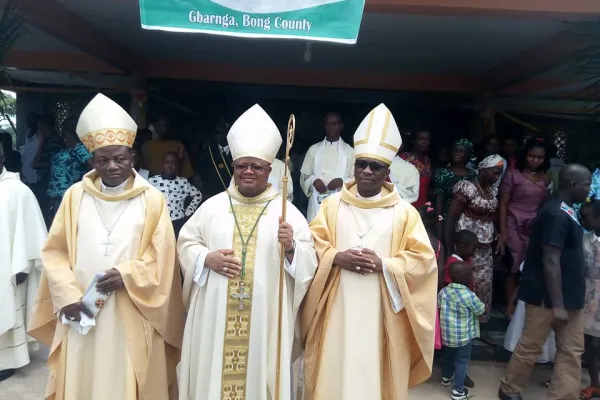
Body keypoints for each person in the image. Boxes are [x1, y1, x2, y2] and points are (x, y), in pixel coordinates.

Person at [27, 94, 185, 400]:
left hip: (132, 307)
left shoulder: (152, 199)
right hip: (82, 308)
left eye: (120, 158)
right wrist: (68, 295)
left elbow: (163, 257)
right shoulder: (75, 197)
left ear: (133, 157)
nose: (112, 166)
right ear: (92, 160)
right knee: (82, 378)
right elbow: (55, 251)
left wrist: (128, 274)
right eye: (103, 159)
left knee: (126, 376)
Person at [177, 104, 318, 400]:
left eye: (257, 166)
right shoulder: (212, 207)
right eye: (242, 166)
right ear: (234, 168)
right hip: (214, 316)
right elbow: (187, 243)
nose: (249, 172)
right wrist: (206, 258)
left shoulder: (288, 213)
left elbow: (310, 264)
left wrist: (292, 247)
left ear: (270, 170)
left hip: (266, 319)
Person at [301, 104, 438, 400]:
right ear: (353, 166)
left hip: (383, 308)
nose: (366, 170)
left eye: (375, 166)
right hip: (337, 304)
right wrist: (336, 257)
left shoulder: (404, 213)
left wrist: (384, 265)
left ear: (387, 172)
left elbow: (424, 262)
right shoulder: (332, 205)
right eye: (361, 163)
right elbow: (311, 244)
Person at [498, 164, 591, 400]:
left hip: (570, 295)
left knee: (572, 350)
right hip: (546, 297)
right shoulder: (555, 214)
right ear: (573, 185)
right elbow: (550, 259)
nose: (589, 190)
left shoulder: (567, 209)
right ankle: (509, 389)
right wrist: (557, 305)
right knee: (531, 346)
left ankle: (563, 396)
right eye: (587, 184)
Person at [0, 141, 47, 382]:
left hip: (7, 266)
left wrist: (25, 266)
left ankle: (7, 361)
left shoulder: (18, 191)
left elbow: (32, 230)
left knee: (7, 308)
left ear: (2, 156)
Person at [446, 155, 503, 345]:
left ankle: (481, 328)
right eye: (494, 172)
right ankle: (459, 327)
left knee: (484, 286)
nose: (497, 176)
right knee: (464, 285)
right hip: (465, 246)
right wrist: (448, 248)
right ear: (482, 170)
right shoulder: (467, 187)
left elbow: (492, 217)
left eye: (499, 173)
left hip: (485, 246)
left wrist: (498, 236)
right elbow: (452, 217)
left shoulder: (492, 191)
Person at [498, 138, 550, 319]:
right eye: (531, 156)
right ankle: (509, 310)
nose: (535, 160)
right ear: (525, 156)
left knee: (529, 266)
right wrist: (503, 232)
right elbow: (503, 204)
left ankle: (522, 308)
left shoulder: (546, 178)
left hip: (534, 226)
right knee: (513, 265)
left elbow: (544, 206)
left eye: (539, 158)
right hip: (513, 222)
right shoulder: (513, 175)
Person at [439, 261, 485, 400]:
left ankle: (446, 378)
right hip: (464, 337)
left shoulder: (443, 291)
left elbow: (439, 306)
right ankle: (458, 391)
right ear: (466, 279)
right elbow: (480, 310)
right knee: (461, 362)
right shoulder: (469, 295)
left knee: (448, 356)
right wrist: (481, 297)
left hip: (447, 335)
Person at [300, 112, 354, 222]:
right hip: (316, 203)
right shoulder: (313, 150)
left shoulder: (350, 152)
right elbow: (304, 175)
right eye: (328, 124)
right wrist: (313, 181)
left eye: (335, 123)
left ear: (341, 126)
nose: (331, 127)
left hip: (341, 203)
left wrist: (342, 181)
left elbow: (356, 179)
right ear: (324, 126)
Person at [503, 262, 556, 365]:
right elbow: (522, 283)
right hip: (527, 300)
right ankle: (521, 365)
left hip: (545, 302)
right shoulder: (531, 259)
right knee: (523, 332)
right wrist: (511, 302)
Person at [46, 118, 93, 222]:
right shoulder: (69, 148)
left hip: (67, 193)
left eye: (65, 130)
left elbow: (92, 166)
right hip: (56, 194)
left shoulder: (79, 148)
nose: (62, 133)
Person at [149, 151, 203, 237]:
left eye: (173, 163)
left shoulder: (183, 182)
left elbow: (198, 195)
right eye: (167, 163)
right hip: (159, 221)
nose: (170, 166)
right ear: (163, 163)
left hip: (178, 221)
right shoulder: (153, 181)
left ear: (177, 166)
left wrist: (188, 211)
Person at [579, 201, 600, 400]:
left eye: (586, 218)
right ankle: (595, 383)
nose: (582, 221)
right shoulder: (584, 238)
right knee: (589, 342)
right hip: (587, 295)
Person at [434, 139, 477, 219]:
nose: (456, 154)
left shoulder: (473, 175)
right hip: (447, 217)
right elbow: (439, 200)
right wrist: (439, 221)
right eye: (455, 151)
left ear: (468, 154)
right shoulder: (443, 173)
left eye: (461, 151)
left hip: (467, 218)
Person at [194, 119, 233, 200]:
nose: (218, 135)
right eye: (216, 132)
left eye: (221, 133)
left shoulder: (237, 151)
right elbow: (201, 173)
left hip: (234, 194)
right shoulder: (207, 152)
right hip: (213, 194)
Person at [401, 129, 433, 206]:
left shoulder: (427, 161)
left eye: (427, 139)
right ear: (414, 141)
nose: (424, 142)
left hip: (422, 204)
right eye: (420, 139)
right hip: (406, 204)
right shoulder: (404, 159)